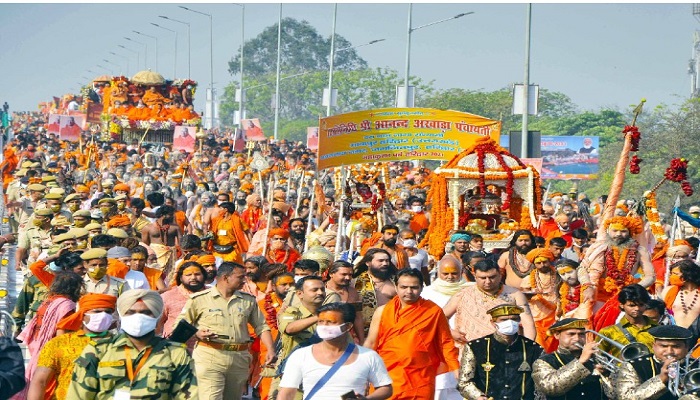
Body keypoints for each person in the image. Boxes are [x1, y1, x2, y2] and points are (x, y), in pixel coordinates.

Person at [68, 289, 198, 399]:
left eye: (146, 313)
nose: (138, 317)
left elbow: (188, 395)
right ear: (121, 315)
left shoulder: (175, 353)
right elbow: (78, 395)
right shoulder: (99, 351)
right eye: (130, 312)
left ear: (157, 317)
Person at [177, 262, 274, 400]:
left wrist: (271, 349)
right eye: (240, 277)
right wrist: (196, 333)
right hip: (210, 356)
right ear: (225, 278)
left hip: (239, 358)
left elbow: (262, 327)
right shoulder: (200, 299)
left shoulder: (248, 300)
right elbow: (181, 325)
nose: (244, 280)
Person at [365, 268, 460, 399]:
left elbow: (446, 343)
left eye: (414, 287)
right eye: (404, 287)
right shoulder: (383, 311)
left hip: (421, 377)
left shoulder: (433, 311)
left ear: (422, 288)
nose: (409, 291)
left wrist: (456, 369)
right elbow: (371, 342)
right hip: (388, 375)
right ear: (396, 287)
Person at [278, 302, 393, 400]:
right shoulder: (301, 355)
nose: (324, 326)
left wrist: (367, 399)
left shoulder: (368, 356)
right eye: (321, 321)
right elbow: (287, 392)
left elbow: (386, 388)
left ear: (348, 326)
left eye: (331, 322)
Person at [28, 293, 117, 400]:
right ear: (83, 315)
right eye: (97, 311)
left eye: (108, 312)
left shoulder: (119, 344)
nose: (103, 316)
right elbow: (40, 381)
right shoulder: (59, 343)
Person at [578, 215, 655, 329]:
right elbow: (581, 269)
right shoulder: (598, 248)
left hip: (626, 297)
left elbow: (651, 276)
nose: (618, 234)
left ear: (630, 232)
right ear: (608, 231)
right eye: (615, 231)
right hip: (599, 294)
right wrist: (587, 286)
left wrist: (632, 289)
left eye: (623, 231)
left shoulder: (640, 251)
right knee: (593, 323)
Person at [457, 305, 544, 400]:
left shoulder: (534, 348)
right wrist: (478, 396)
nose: (510, 323)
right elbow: (464, 382)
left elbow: (541, 384)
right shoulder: (475, 347)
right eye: (504, 320)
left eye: (514, 319)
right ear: (493, 323)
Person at [444, 259, 536, 344]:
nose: (488, 282)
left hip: (506, 349)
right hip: (470, 347)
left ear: (500, 274)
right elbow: (441, 316)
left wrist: (528, 347)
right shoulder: (462, 294)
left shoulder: (515, 294)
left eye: (492, 277)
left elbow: (528, 323)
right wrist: (451, 332)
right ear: (475, 276)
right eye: (483, 278)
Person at [420, 256, 469, 400]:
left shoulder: (470, 289)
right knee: (442, 386)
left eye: (454, 273)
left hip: (467, 342)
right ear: (438, 273)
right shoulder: (427, 293)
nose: (450, 277)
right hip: (440, 345)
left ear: (461, 273)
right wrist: (450, 332)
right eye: (445, 273)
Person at [532, 318, 614, 400]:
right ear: (557, 335)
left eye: (581, 334)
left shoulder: (597, 358)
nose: (577, 339)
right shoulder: (543, 361)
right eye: (571, 334)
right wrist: (580, 362)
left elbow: (616, 393)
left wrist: (606, 375)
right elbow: (551, 387)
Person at [612, 325, 694, 400]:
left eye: (676, 346)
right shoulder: (633, 366)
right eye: (664, 346)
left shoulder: (696, 366)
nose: (669, 351)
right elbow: (626, 398)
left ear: (686, 348)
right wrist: (661, 379)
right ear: (653, 346)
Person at [597, 284, 656, 359]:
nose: (637, 308)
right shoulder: (608, 332)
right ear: (622, 305)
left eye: (641, 305)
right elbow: (598, 357)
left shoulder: (658, 329)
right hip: (622, 370)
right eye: (632, 305)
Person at [520, 248, 561, 352]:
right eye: (539, 263)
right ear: (534, 264)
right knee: (539, 345)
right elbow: (523, 297)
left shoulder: (559, 275)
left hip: (556, 314)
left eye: (545, 262)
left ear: (549, 261)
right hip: (537, 315)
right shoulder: (528, 279)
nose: (542, 265)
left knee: (555, 343)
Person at [158, 261, 207, 349]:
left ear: (204, 275)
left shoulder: (213, 294)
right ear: (180, 278)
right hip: (176, 349)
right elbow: (158, 324)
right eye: (188, 275)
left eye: (197, 274)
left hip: (207, 350)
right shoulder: (167, 296)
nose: (193, 278)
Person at [354, 249, 398, 335]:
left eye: (387, 261)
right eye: (380, 261)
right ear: (368, 263)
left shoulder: (397, 282)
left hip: (391, 330)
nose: (385, 264)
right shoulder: (355, 283)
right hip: (366, 332)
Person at [325, 260, 365, 343]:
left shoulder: (353, 292)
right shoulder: (321, 290)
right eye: (343, 274)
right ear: (331, 274)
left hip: (348, 336)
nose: (348, 278)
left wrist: (362, 340)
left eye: (350, 275)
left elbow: (358, 317)